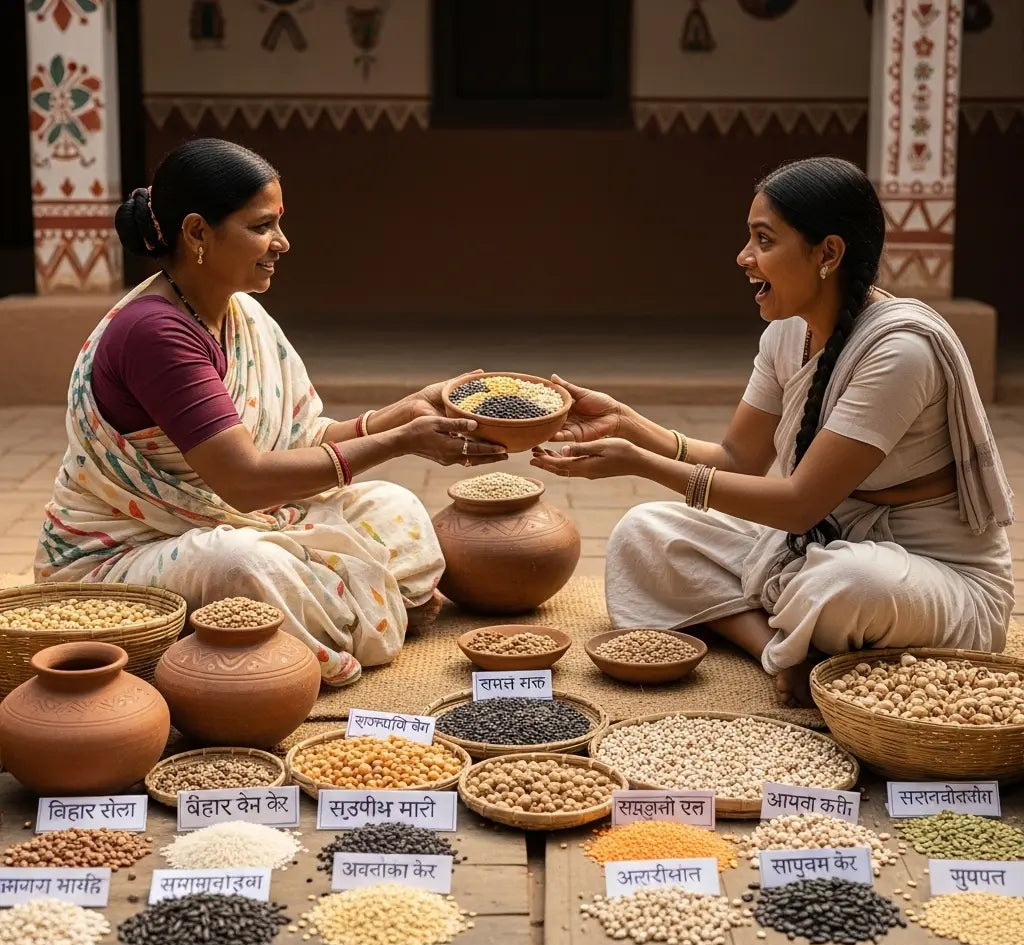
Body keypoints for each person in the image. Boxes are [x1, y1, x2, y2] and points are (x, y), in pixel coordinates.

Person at [530, 156, 1014, 706]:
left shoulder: (900, 350)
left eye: (764, 240)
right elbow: (738, 458)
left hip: (930, 579)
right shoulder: (788, 334)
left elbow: (798, 505)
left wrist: (640, 464)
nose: (744, 258)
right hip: (819, 545)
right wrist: (629, 425)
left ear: (828, 254)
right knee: (644, 534)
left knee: (846, 584)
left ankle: (792, 629)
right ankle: (778, 650)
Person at [36, 138, 507, 685]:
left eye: (278, 225)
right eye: (261, 227)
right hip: (132, 547)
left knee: (389, 505)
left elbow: (303, 439)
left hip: (229, 518)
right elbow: (246, 481)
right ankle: (331, 624)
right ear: (196, 234)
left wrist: (398, 416)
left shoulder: (242, 314)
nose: (281, 243)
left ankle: (327, 616)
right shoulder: (154, 333)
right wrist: (402, 442)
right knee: (247, 564)